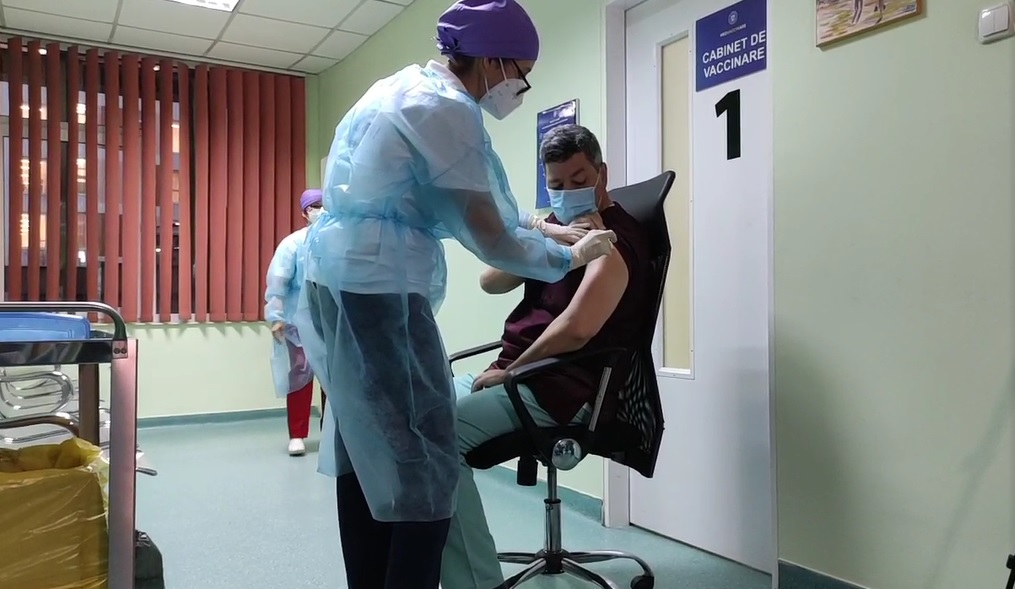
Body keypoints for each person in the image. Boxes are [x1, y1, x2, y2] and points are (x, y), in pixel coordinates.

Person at [290, 1, 619, 588]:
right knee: (422, 458)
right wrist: (567, 254)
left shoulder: (403, 88)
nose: (519, 87)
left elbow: (463, 204)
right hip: (379, 288)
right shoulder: (444, 110)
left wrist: (544, 230)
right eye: (520, 73)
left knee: (366, 446)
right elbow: (489, 236)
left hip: (342, 278)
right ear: (492, 61)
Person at [440, 124, 652, 589]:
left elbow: (576, 329)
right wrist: (547, 235)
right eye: (557, 184)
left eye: (580, 180)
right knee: (419, 412)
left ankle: (476, 582)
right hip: (518, 376)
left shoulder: (613, 241)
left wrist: (511, 372)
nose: (568, 192)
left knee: (436, 441)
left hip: (559, 389)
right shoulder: (564, 232)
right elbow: (490, 282)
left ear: (602, 174)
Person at [264, 189, 327, 457]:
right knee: (300, 376)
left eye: (323, 204)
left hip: (330, 320)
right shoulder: (292, 244)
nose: (320, 209)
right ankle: (297, 434)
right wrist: (276, 317)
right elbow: (278, 282)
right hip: (297, 321)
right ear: (304, 212)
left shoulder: (335, 241)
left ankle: (332, 434)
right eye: (314, 206)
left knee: (333, 379)